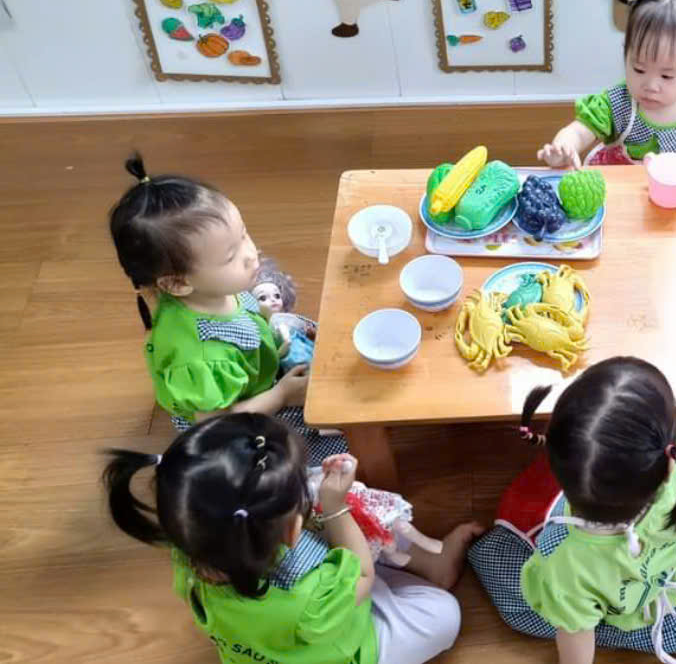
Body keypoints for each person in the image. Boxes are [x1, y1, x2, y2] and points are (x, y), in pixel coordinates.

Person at [468, 315, 676, 663]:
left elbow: (576, 642)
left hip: (623, 608)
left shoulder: (566, 568)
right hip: (670, 586)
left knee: (514, 591)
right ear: (669, 460)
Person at [103, 412, 482, 664]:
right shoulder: (309, 599)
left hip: (281, 635)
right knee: (444, 614)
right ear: (291, 532)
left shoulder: (190, 552)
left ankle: (413, 571)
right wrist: (334, 505)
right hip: (339, 644)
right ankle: (431, 571)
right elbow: (363, 574)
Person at [107, 153, 345, 465]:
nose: (250, 254)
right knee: (334, 440)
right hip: (227, 418)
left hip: (253, 371)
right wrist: (282, 395)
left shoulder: (210, 290)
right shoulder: (203, 358)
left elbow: (250, 313)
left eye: (244, 234)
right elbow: (217, 424)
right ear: (177, 283)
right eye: (230, 256)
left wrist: (274, 332)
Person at [538, 0, 676, 169]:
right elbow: (579, 132)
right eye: (639, 69)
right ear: (626, 56)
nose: (650, 86)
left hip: (671, 196)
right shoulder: (617, 104)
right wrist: (564, 148)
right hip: (617, 192)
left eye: (666, 76)